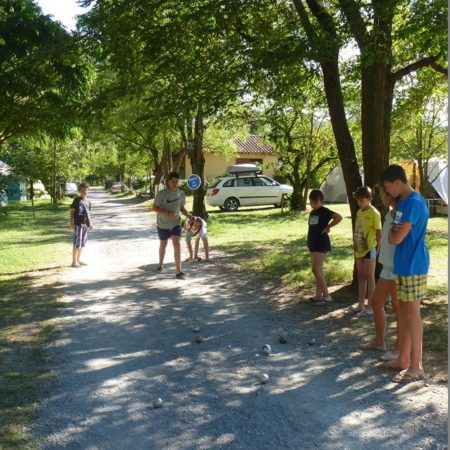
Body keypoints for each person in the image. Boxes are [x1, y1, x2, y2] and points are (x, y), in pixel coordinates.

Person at [381, 164, 429, 383]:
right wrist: (393, 232)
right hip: (402, 263)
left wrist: (393, 233)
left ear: (397, 182)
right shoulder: (403, 204)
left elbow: (396, 238)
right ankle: (403, 359)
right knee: (404, 313)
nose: (387, 191)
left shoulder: (414, 203)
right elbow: (393, 234)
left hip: (413, 265)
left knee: (412, 315)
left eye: (387, 187)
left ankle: (416, 366)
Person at [360, 188, 402, 360]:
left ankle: (399, 349)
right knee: (376, 303)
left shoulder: (399, 213)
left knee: (398, 309)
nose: (381, 198)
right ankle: (379, 341)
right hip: (386, 265)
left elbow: (398, 237)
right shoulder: (390, 213)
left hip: (397, 267)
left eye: (384, 194)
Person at [153, 171, 193, 279]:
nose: (175, 183)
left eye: (177, 181)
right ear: (168, 182)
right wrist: (168, 213)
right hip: (163, 224)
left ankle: (178, 271)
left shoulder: (181, 194)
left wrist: (189, 216)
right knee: (163, 244)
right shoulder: (162, 193)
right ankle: (161, 264)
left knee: (177, 245)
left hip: (176, 223)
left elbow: (182, 208)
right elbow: (155, 208)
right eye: (172, 181)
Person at [307, 189, 342, 306]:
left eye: (313, 202)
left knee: (315, 269)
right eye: (311, 202)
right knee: (318, 270)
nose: (311, 204)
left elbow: (338, 217)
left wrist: (328, 226)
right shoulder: (312, 213)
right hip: (313, 244)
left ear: (318, 201)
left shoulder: (324, 211)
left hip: (322, 244)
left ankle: (327, 296)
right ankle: (318, 295)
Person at [351, 186, 382, 317]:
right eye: (357, 200)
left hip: (370, 249)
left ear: (369, 199)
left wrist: (377, 249)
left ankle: (371, 307)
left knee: (370, 277)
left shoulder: (375, 213)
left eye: (361, 200)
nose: (359, 203)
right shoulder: (359, 212)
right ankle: (361, 304)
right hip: (359, 249)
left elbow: (379, 233)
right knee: (361, 277)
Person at [70, 182, 93, 268]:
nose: (85, 192)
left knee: (82, 243)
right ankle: (73, 262)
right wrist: (71, 222)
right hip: (78, 225)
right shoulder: (77, 200)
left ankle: (78, 260)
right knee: (77, 243)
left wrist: (90, 223)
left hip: (84, 226)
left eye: (86, 190)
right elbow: (72, 211)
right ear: (80, 191)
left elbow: (88, 214)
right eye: (83, 190)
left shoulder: (88, 201)